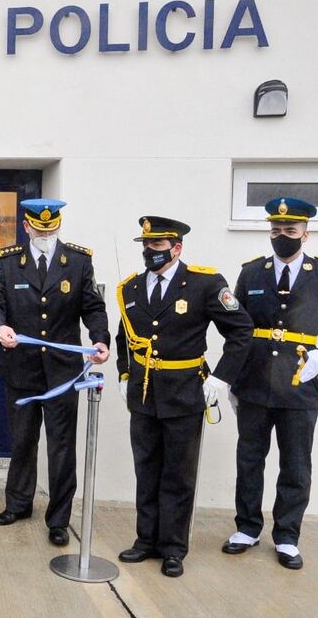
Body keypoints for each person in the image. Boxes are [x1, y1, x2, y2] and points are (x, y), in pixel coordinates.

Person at [115, 215, 253, 577]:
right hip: (143, 395)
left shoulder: (205, 284)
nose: (150, 251)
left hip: (184, 393)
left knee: (177, 474)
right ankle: (145, 540)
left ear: (177, 248)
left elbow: (241, 331)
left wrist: (221, 379)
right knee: (146, 470)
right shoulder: (130, 288)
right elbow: (123, 337)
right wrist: (124, 372)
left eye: (157, 245)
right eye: (146, 245)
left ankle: (173, 548)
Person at [0, 198, 110, 546]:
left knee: (61, 447)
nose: (46, 235)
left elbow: (93, 307)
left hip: (62, 374)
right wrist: (0, 328)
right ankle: (19, 504)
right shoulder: (8, 263)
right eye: (40, 230)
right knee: (23, 441)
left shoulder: (78, 262)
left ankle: (59, 519)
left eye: (51, 229)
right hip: (21, 370)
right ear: (27, 227)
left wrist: (100, 340)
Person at [224, 197, 318, 570]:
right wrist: (230, 378)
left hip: (301, 385)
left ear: (305, 234)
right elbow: (238, 327)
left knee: (295, 464)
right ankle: (247, 527)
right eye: (277, 231)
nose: (282, 236)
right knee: (249, 459)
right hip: (255, 382)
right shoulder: (252, 273)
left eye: (290, 231)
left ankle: (287, 536)